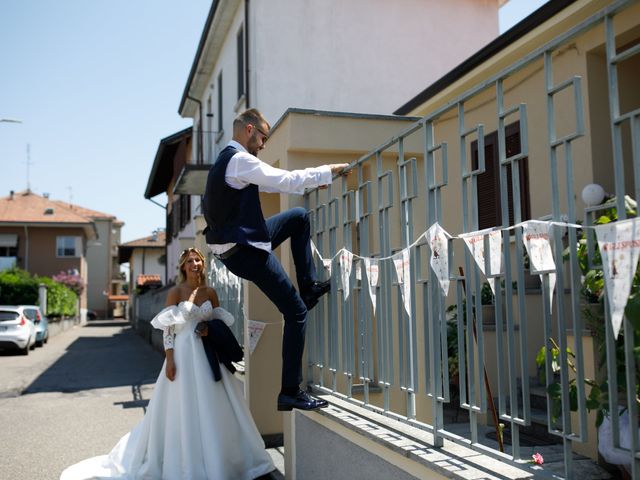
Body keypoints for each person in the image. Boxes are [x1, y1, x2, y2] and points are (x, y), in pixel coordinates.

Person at [60, 248, 275, 480]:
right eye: (190, 261)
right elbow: (168, 330)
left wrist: (208, 330)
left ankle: (221, 459)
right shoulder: (175, 292)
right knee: (182, 404)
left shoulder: (210, 292)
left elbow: (217, 325)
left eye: (198, 260)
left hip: (208, 354)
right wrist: (170, 360)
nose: (195, 264)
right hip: (183, 353)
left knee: (216, 403)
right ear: (183, 266)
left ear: (203, 265)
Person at [202, 108, 349, 412]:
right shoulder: (240, 159)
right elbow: (284, 178)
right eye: (263, 137)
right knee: (296, 313)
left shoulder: (227, 160)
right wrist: (328, 170)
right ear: (249, 130)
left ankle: (307, 285)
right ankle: (290, 391)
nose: (264, 144)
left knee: (297, 217)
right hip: (245, 251)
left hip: (238, 243)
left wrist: (311, 183)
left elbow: (271, 183)